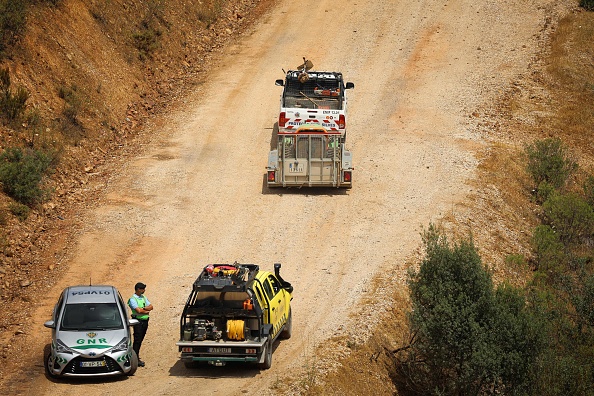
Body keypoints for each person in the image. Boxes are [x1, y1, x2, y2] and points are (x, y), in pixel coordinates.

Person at [128, 282, 153, 367]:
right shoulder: (132, 299)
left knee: (140, 340)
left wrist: (144, 309)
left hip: (145, 321)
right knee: (137, 340)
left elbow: (151, 307)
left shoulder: (143, 297)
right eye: (143, 289)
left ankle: (135, 357)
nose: (144, 290)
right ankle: (135, 359)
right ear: (138, 289)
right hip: (137, 321)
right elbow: (138, 311)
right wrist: (146, 310)